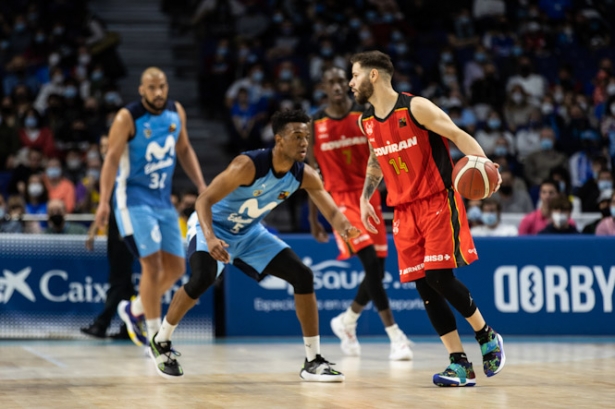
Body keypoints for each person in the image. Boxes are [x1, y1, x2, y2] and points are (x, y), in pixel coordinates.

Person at [149, 110, 358, 381]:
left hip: (248, 233)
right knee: (202, 277)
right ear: (279, 140)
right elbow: (203, 200)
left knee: (302, 275)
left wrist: (348, 229)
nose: (304, 142)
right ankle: (162, 340)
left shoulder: (304, 175)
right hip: (211, 226)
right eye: (297, 136)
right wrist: (210, 238)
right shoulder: (247, 165)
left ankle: (312, 361)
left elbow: (332, 213)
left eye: (307, 136)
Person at [349, 51, 505, 387]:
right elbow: (376, 161)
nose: (351, 82)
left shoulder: (415, 107)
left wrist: (486, 166)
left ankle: (486, 335)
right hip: (403, 211)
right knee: (424, 286)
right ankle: (459, 363)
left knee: (438, 276)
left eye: (355, 75)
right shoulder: (366, 122)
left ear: (373, 75)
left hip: (437, 200)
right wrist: (365, 198)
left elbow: (456, 134)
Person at [94, 67, 207, 348]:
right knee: (152, 265)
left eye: (162, 86)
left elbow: (184, 149)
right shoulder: (127, 117)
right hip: (132, 199)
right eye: (152, 88)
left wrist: (203, 186)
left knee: (177, 268)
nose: (158, 92)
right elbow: (110, 161)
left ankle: (134, 311)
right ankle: (155, 335)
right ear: (141, 90)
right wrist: (103, 202)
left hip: (162, 199)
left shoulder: (175, 112)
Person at [308, 67, 412, 360]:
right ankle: (395, 336)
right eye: (331, 81)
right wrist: (314, 218)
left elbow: (381, 157)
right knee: (369, 263)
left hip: (368, 198)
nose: (338, 85)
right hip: (338, 202)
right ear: (324, 87)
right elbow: (310, 176)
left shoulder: (364, 115)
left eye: (342, 80)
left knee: (377, 271)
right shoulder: (315, 123)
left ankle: (347, 321)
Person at [81, 135, 135, 339]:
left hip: (125, 230)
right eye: (101, 146)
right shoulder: (109, 170)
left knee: (118, 279)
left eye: (108, 146)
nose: (104, 150)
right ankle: (128, 328)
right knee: (125, 281)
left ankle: (101, 324)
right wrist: (94, 229)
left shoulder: (124, 169)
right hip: (114, 228)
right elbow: (104, 206)